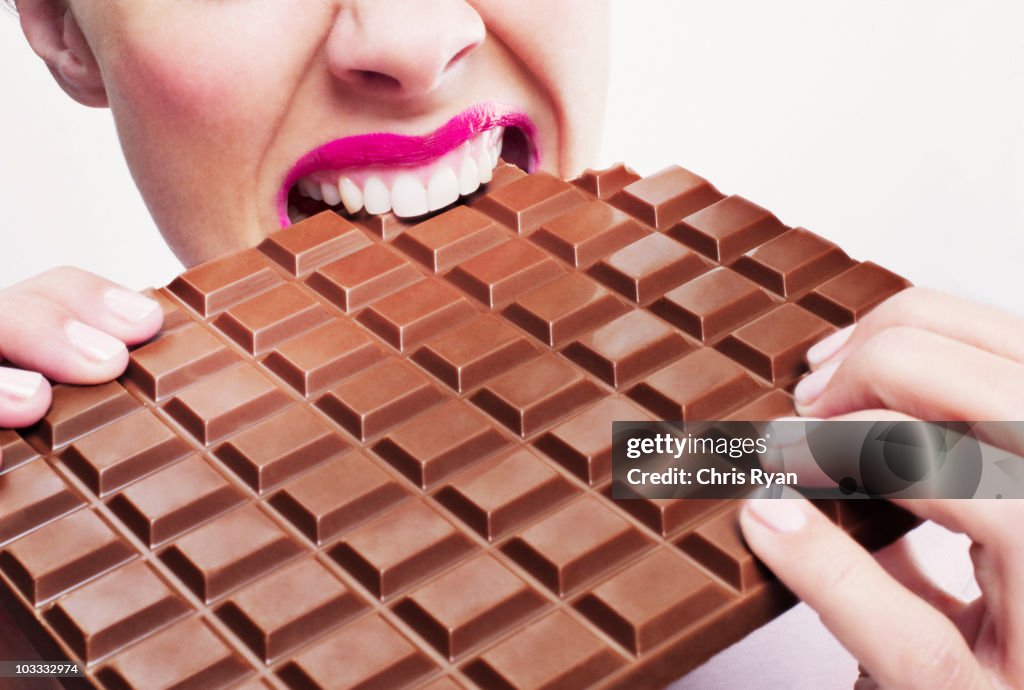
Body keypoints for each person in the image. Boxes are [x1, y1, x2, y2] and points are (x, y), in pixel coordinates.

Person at [1, 2, 1021, 688]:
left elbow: (660, 466)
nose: (414, 35)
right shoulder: (42, 576)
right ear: (62, 28)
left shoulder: (838, 458)